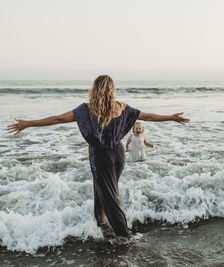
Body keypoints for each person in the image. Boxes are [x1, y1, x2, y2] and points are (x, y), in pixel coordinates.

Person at [7, 75, 189, 239]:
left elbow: (58, 119)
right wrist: (171, 117)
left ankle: (126, 237)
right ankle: (99, 224)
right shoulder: (122, 107)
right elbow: (147, 116)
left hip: (101, 158)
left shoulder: (87, 109)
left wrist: (29, 123)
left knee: (110, 197)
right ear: (112, 90)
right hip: (118, 156)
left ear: (95, 89)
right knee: (102, 191)